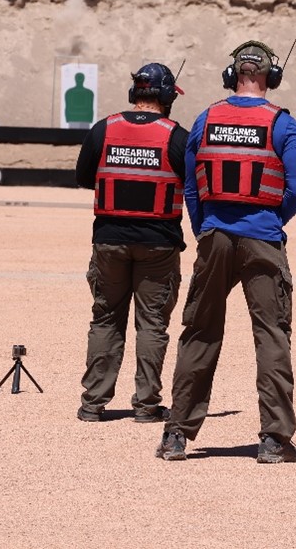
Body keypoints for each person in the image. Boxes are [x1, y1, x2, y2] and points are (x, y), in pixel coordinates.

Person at [156, 40, 296, 463]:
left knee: (199, 332)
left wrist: (204, 227)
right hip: (263, 238)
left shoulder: (205, 119)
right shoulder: (283, 125)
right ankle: (274, 440)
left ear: (232, 75)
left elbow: (190, 185)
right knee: (272, 335)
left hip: (214, 237)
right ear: (271, 77)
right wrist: (272, 222)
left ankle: (176, 435)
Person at [75, 62, 188, 423]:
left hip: (109, 239)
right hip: (158, 242)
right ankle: (146, 405)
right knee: (152, 324)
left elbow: (82, 178)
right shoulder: (177, 136)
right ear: (168, 96)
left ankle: (93, 403)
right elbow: (195, 185)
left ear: (134, 93)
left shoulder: (102, 129)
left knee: (106, 318)